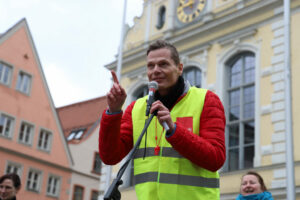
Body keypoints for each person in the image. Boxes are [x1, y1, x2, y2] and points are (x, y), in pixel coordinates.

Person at [99, 40, 226, 199]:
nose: (156, 70)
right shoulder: (136, 108)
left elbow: (216, 158)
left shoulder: (207, 100)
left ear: (179, 68)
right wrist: (114, 111)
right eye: (150, 66)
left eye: (163, 64)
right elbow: (110, 156)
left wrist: (174, 130)